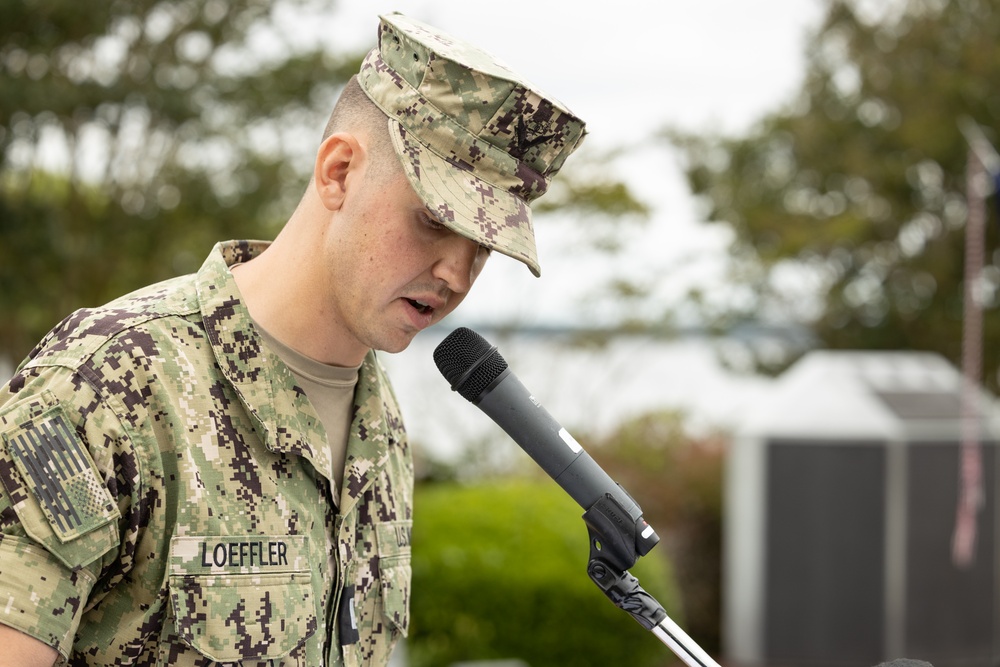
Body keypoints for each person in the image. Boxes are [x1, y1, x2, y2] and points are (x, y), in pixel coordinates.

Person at [0, 12, 586, 667]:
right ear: (338, 171)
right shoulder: (104, 390)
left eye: (482, 248)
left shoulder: (380, 424)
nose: (456, 273)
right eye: (431, 220)